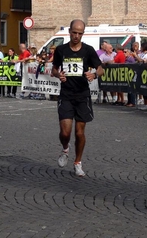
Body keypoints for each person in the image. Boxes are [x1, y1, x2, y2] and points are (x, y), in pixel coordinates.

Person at [51, 19, 104, 177]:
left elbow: (101, 69)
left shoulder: (88, 50)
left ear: (83, 34)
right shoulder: (61, 50)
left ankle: (78, 162)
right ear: (69, 32)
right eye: (74, 32)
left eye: (80, 33)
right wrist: (58, 74)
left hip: (82, 95)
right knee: (65, 133)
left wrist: (94, 74)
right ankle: (65, 149)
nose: (76, 36)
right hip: (66, 95)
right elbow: (54, 69)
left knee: (80, 133)